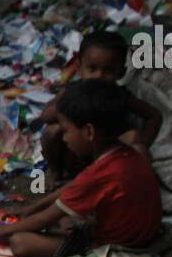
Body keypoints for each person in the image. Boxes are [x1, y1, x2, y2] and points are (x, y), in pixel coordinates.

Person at [0, 79, 163, 257]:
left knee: (20, 242)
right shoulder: (124, 153)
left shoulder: (98, 174)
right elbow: (72, 188)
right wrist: (31, 208)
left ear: (89, 132)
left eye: (66, 131)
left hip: (120, 247)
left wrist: (6, 229)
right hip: (144, 233)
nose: (64, 139)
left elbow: (46, 218)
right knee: (63, 219)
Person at [38, 30, 162, 183]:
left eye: (108, 71)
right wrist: (73, 103)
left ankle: (139, 188)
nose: (99, 76)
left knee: (136, 139)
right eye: (92, 68)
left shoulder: (118, 95)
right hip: (76, 155)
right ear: (78, 67)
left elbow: (154, 116)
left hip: (109, 156)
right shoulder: (72, 91)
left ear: (121, 72)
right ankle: (56, 171)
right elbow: (45, 116)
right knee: (52, 131)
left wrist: (144, 142)